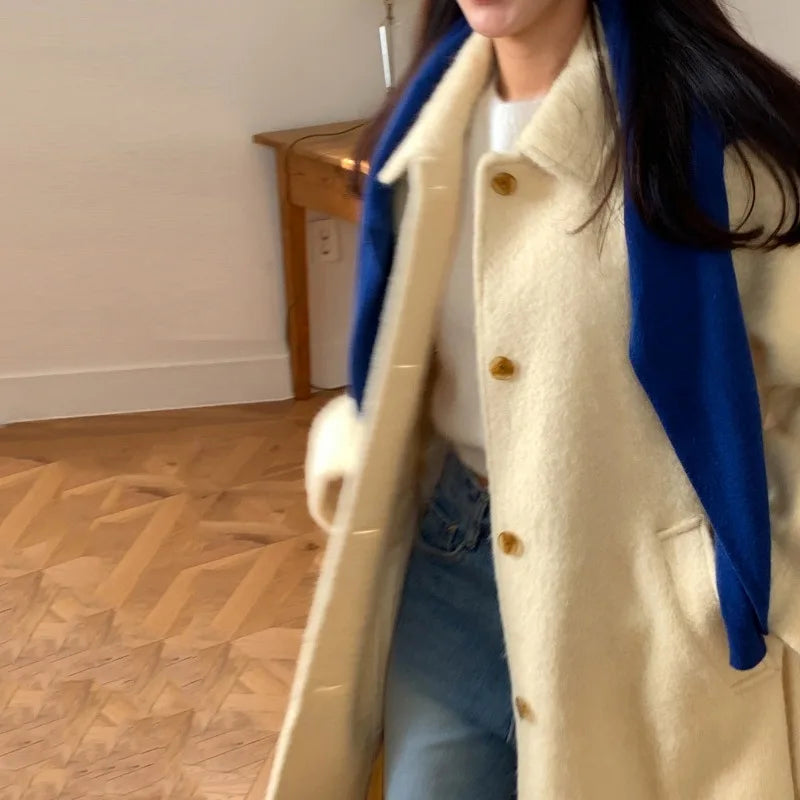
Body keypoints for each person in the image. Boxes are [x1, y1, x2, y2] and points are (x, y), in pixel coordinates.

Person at [267, 1, 800, 798]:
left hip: (637, 606)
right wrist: (355, 445)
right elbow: (412, 363)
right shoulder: (423, 132)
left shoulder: (715, 150)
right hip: (449, 564)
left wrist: (745, 572)